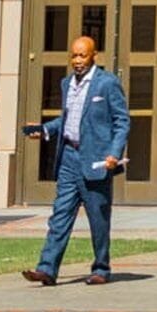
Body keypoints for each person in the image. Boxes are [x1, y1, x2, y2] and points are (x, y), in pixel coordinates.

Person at [26, 30, 128, 287]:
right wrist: (45, 130)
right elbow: (69, 119)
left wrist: (114, 153)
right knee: (60, 215)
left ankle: (101, 268)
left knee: (98, 219)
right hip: (69, 158)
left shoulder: (107, 83)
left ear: (94, 56)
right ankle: (47, 269)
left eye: (82, 55)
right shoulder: (67, 84)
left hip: (96, 160)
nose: (77, 61)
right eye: (74, 56)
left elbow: (122, 121)